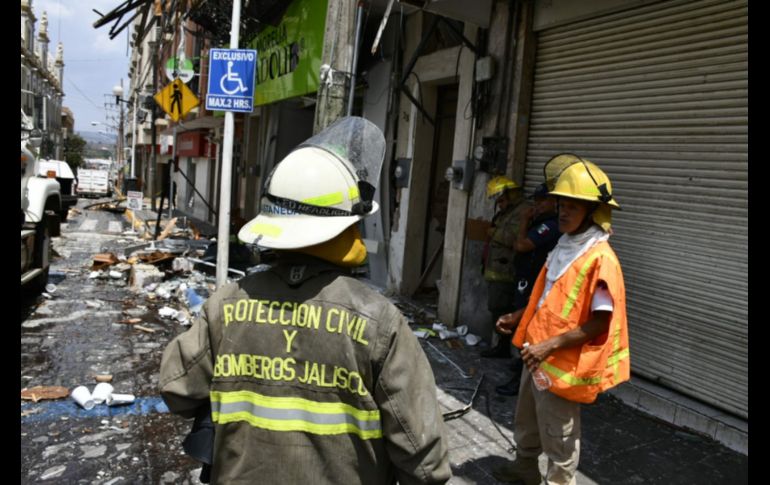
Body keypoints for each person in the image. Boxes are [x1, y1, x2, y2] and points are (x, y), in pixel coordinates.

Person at [159, 116, 451, 485]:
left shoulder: (226, 305)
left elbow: (177, 390)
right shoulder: (379, 321)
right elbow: (423, 459)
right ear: (346, 226)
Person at [492, 155, 630, 485]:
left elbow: (599, 323)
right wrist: (518, 316)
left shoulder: (600, 258)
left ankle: (559, 481)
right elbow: (547, 296)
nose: (563, 212)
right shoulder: (564, 245)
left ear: (593, 212)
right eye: (561, 205)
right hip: (536, 353)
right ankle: (525, 468)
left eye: (573, 207)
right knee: (526, 419)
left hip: (562, 363)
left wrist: (548, 346)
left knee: (560, 434)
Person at [495, 182, 561, 396]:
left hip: (535, 283)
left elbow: (522, 245)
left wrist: (523, 220)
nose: (538, 205)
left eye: (543, 200)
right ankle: (521, 366)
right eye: (536, 200)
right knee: (521, 325)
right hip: (527, 279)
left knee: (527, 328)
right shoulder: (540, 221)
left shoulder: (550, 225)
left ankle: (520, 379)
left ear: (554, 202)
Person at [480, 176, 527, 358]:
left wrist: (494, 232)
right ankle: (502, 345)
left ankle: (504, 347)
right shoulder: (507, 211)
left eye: (501, 199)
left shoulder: (522, 211)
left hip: (506, 272)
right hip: (496, 269)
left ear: (511, 194)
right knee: (496, 307)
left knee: (500, 308)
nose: (499, 204)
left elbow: (514, 239)